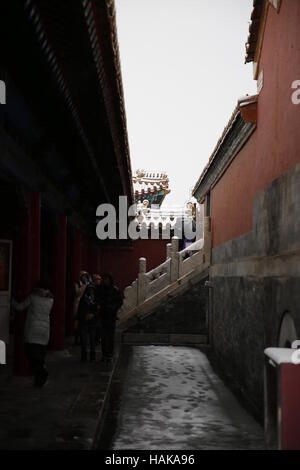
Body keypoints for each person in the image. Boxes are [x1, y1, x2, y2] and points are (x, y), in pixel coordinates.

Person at [11, 280, 54, 388]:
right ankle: (39, 381)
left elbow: (20, 307)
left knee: (30, 355)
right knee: (40, 356)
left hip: (32, 331)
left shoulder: (33, 297)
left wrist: (12, 300)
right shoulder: (51, 300)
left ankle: (41, 373)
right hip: (44, 331)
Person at [98, 273, 123, 363]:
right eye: (104, 279)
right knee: (103, 337)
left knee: (110, 336)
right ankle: (104, 354)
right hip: (103, 315)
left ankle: (110, 354)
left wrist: (113, 308)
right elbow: (98, 300)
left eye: (107, 279)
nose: (106, 281)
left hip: (111, 316)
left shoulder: (115, 290)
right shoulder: (101, 289)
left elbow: (119, 302)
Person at [77, 274, 101, 363]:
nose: (91, 292)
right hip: (84, 320)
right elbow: (80, 309)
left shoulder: (96, 299)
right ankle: (84, 355)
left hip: (93, 321)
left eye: (92, 290)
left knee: (92, 340)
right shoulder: (84, 299)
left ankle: (92, 356)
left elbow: (99, 309)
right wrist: (84, 316)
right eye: (89, 290)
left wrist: (93, 315)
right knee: (84, 339)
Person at [73, 271, 89, 345]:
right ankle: (76, 338)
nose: (84, 278)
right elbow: (77, 292)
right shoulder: (77, 283)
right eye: (83, 276)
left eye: (86, 276)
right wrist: (84, 286)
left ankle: (82, 338)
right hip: (78, 303)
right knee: (77, 321)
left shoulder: (88, 284)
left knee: (84, 322)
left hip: (85, 304)